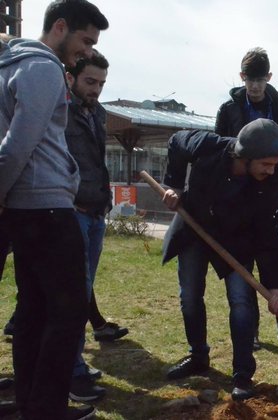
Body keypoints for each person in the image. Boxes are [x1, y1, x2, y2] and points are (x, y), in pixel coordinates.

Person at [0, 1, 108, 418]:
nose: (86, 52)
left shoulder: (11, 65)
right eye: (84, 41)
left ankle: (31, 404)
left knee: (33, 310)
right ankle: (46, 408)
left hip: (26, 210)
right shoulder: (43, 68)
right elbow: (17, 146)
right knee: (68, 313)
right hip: (46, 208)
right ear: (59, 27)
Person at [161, 119, 278, 401]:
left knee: (242, 302)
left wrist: (274, 286)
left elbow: (267, 233)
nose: (271, 170)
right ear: (245, 157)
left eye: (274, 164)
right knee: (191, 296)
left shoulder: (271, 179)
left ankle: (242, 375)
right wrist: (175, 186)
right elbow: (176, 141)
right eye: (266, 164)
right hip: (195, 228)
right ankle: (198, 356)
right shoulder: (209, 146)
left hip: (237, 243)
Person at [215, 47, 278, 349]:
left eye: (261, 80)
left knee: (277, 257)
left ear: (269, 78)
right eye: (250, 79)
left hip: (272, 188)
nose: (255, 86)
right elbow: (219, 149)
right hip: (240, 194)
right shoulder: (229, 109)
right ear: (242, 77)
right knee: (243, 264)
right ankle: (249, 330)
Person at [63, 49, 128, 403]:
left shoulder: (98, 113)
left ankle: (72, 367)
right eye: (90, 81)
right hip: (69, 212)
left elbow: (96, 162)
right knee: (73, 295)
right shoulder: (58, 111)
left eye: (102, 83)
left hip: (94, 213)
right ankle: (71, 373)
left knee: (82, 291)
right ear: (70, 78)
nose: (97, 90)